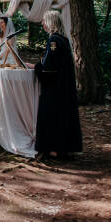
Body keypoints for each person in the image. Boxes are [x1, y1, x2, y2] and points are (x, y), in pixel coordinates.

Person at [33, 10, 82, 159]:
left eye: (44, 21)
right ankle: (65, 147)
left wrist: (37, 67)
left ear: (51, 22)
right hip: (64, 86)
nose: (42, 23)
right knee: (64, 116)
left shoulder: (53, 40)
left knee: (52, 115)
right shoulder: (63, 39)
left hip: (55, 87)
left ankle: (54, 149)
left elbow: (49, 67)